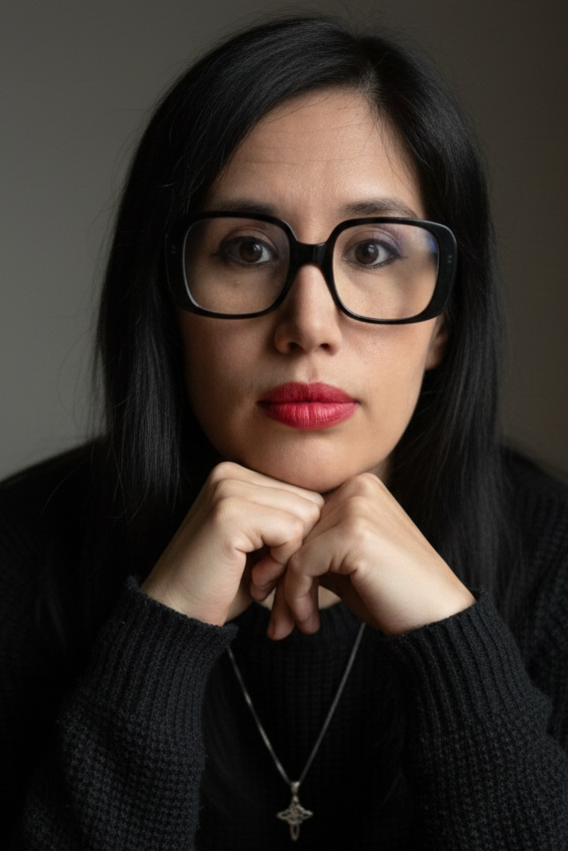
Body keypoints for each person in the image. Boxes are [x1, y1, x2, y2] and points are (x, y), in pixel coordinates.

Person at [1, 14, 567, 850]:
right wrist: (159, 638)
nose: (309, 323)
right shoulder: (18, 554)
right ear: (167, 301)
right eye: (246, 248)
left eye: (373, 251)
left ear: (446, 314)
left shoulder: (554, 559)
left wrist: (455, 645)